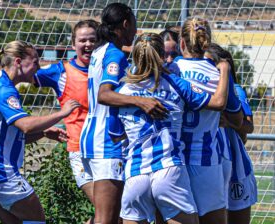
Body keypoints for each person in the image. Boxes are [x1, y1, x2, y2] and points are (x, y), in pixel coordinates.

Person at [108, 32, 231, 224]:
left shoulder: (121, 93)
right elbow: (218, 102)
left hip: (135, 173)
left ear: (134, 56)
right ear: (163, 56)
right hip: (168, 169)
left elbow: (116, 136)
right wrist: (224, 69)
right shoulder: (176, 84)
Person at [80, 3, 168, 224]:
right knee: (107, 219)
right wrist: (141, 101)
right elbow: (105, 95)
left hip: (91, 138)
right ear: (126, 24)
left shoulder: (101, 50)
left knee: (110, 216)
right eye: (135, 26)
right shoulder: (114, 55)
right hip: (106, 142)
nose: (136, 32)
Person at [0, 40, 78, 223]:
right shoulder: (4, 89)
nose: (39, 67)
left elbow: (7, 137)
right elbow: (25, 125)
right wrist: (62, 113)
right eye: (35, 61)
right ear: (17, 62)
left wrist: (44, 133)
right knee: (36, 220)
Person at [175, 17, 243, 224]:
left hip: (172, 159)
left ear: (182, 43)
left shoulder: (170, 69)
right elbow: (238, 120)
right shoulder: (218, 73)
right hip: (205, 160)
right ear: (208, 42)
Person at [33, 19, 98, 212]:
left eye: (92, 40)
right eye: (82, 40)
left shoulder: (108, 70)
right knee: (109, 211)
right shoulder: (60, 72)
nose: (87, 45)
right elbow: (20, 73)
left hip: (108, 149)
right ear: (73, 44)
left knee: (113, 213)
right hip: (79, 150)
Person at [205, 43, 257, 224]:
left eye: (209, 62)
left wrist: (229, 122)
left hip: (235, 167)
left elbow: (248, 127)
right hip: (207, 163)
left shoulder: (235, 90)